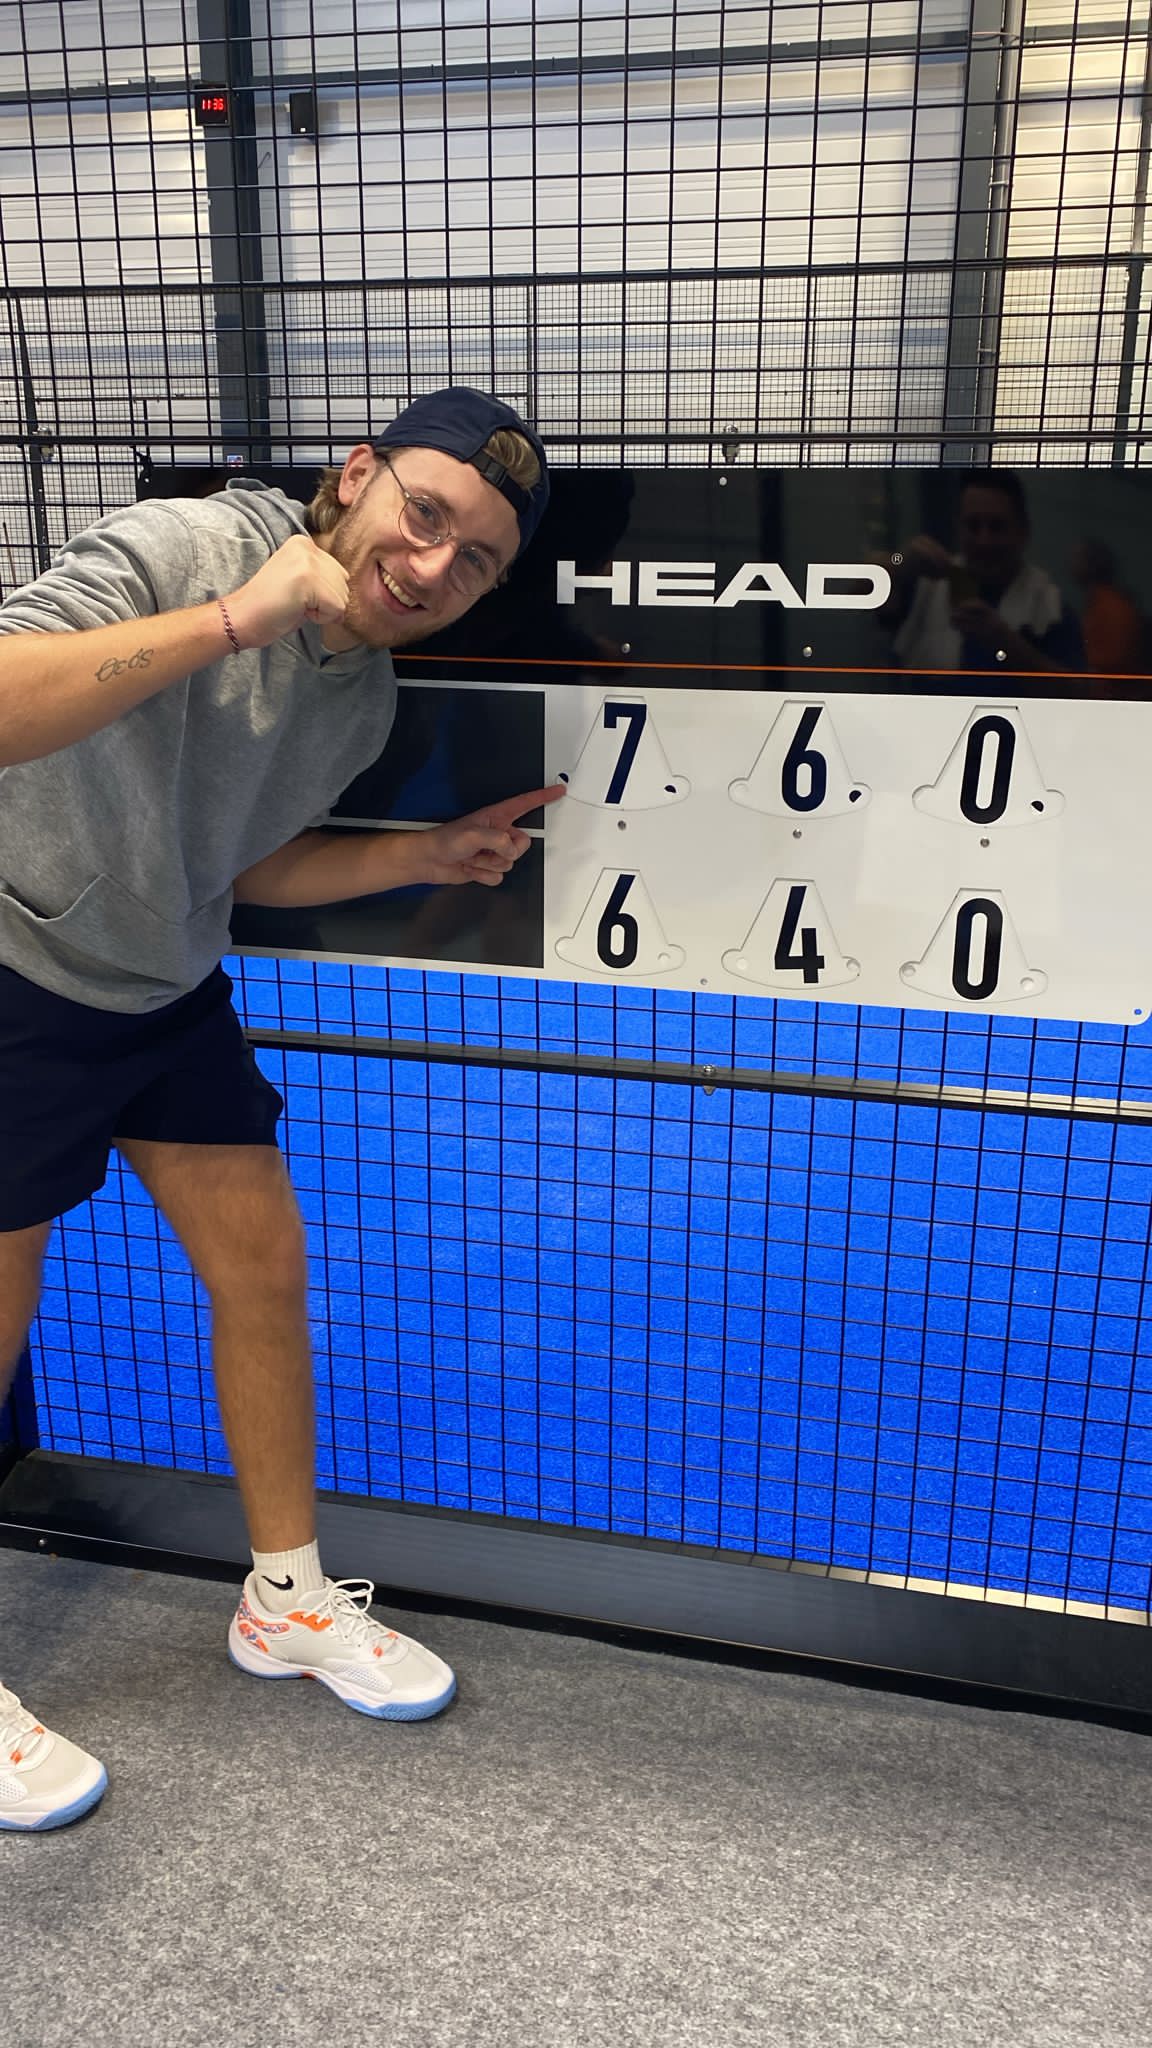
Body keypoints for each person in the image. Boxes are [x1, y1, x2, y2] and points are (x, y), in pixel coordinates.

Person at [0, 387, 562, 1830]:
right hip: (11, 965)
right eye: (424, 514)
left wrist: (423, 855)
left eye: (477, 559)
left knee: (263, 1267)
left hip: (162, 984)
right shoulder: (188, 548)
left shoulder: (360, 694)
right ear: (357, 475)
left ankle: (285, 1598)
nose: (432, 565)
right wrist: (230, 620)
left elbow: (241, 867)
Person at [884, 470, 1084, 675]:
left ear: (1023, 532)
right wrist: (899, 562)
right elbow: (864, 587)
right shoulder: (928, 586)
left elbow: (1077, 690)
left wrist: (1004, 641)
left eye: (997, 527)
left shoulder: (1050, 607)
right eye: (973, 526)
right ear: (958, 528)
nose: (984, 541)